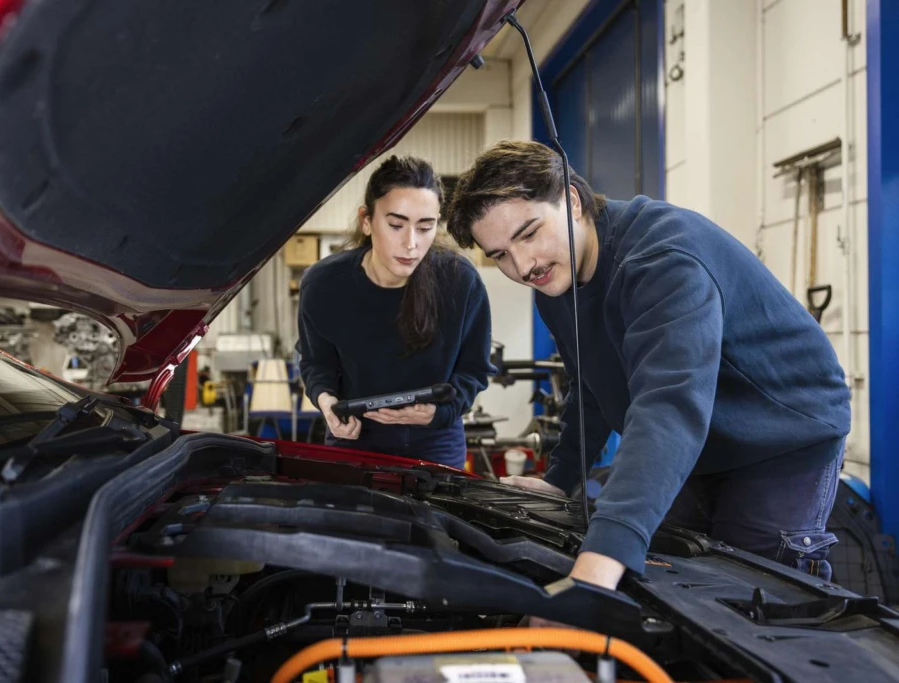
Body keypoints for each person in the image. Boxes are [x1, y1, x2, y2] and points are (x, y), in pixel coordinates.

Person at [445, 140, 850, 589]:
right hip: (704, 440)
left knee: (752, 593)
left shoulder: (661, 260)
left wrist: (602, 559)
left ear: (572, 201)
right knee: (672, 581)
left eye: (529, 233)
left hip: (781, 436)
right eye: (500, 255)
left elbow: (669, 406)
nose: (523, 266)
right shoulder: (556, 283)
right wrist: (560, 480)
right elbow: (591, 387)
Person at [296, 155, 494, 469]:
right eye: (396, 225)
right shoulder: (324, 285)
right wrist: (327, 403)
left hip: (434, 441)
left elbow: (474, 369)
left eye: (425, 227)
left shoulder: (460, 282)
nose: (411, 243)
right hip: (354, 438)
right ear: (366, 220)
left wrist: (441, 412)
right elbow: (316, 363)